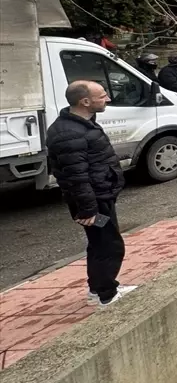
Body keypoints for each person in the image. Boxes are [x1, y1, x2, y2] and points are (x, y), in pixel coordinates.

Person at [45, 81, 136, 306]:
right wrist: (89, 210)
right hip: (93, 202)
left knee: (100, 244)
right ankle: (107, 295)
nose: (108, 99)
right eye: (103, 95)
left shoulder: (82, 124)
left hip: (100, 197)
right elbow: (76, 177)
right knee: (109, 245)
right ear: (85, 102)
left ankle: (99, 290)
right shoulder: (68, 133)